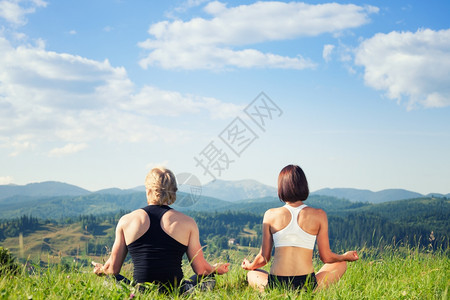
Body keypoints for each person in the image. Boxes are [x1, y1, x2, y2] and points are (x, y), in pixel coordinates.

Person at [92, 167, 229, 293]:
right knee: (209, 278)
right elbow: (202, 270)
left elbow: (112, 270)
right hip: (177, 292)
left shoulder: (126, 221)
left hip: (139, 292)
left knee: (109, 279)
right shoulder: (188, 222)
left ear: (149, 190)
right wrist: (215, 269)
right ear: (173, 190)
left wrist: (102, 270)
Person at [241, 164, 359, 292]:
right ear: (304, 185)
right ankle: (311, 292)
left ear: (281, 187)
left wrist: (250, 266)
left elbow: (263, 258)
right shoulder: (319, 214)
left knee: (252, 274)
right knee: (340, 263)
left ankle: (272, 293)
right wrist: (345, 256)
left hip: (277, 285)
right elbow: (326, 257)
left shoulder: (270, 215)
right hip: (306, 285)